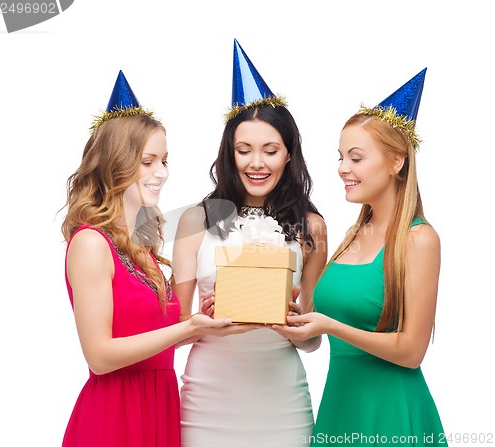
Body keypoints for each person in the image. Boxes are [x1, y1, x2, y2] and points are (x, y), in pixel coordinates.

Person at [60, 70, 238, 447]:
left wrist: (200, 322)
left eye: (164, 160)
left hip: (158, 406)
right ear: (115, 163)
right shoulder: (91, 243)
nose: (162, 173)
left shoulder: (142, 248)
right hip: (114, 415)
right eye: (148, 161)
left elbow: (153, 340)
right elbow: (100, 356)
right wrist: (187, 329)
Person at [273, 68, 448, 446]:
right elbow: (323, 316)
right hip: (340, 406)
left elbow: (412, 351)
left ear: (396, 162)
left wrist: (329, 326)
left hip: (390, 412)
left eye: (355, 158)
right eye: (340, 157)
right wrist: (289, 314)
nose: (342, 169)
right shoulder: (353, 233)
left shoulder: (419, 240)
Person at [172, 40, 328, 447]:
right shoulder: (196, 220)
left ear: (290, 155)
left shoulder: (311, 227)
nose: (256, 163)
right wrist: (201, 323)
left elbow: (313, 340)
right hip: (207, 399)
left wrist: (292, 324)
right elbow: (170, 328)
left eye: (270, 150)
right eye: (244, 150)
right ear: (230, 153)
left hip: (282, 401)